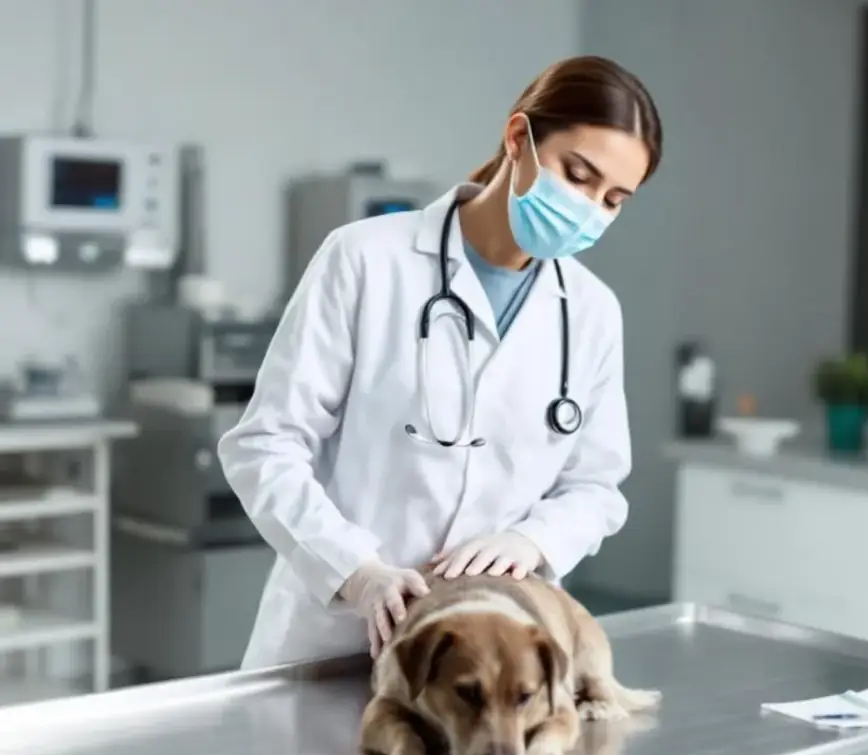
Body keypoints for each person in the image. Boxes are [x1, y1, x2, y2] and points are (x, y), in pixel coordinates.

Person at [218, 55, 664, 669]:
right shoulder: (366, 260)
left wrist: (530, 540)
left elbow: (595, 486)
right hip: (337, 642)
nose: (590, 208)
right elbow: (266, 445)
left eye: (614, 199)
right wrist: (358, 572)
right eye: (578, 174)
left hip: (495, 653)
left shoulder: (590, 310)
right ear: (518, 138)